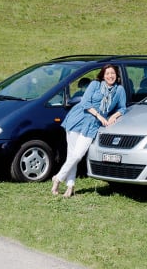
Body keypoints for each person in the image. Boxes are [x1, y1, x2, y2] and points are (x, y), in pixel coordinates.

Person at [51, 64, 127, 197]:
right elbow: (85, 103)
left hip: (92, 125)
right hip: (78, 118)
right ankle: (70, 186)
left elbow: (122, 108)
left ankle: (58, 178)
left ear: (117, 75)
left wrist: (113, 117)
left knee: (78, 155)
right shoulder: (95, 85)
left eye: (113, 73)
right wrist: (100, 116)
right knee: (72, 155)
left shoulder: (119, 90)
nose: (110, 76)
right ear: (103, 75)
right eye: (107, 73)